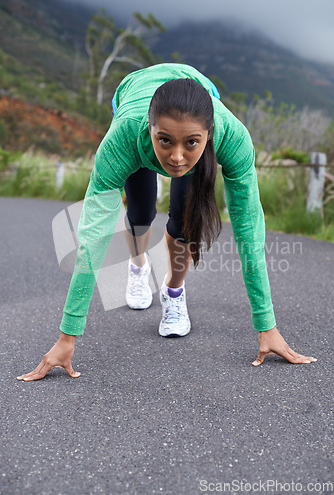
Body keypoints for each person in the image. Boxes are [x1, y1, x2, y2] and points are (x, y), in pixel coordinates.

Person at [17, 63, 317, 382]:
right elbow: (93, 236)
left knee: (186, 221)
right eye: (165, 142)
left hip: (193, 101)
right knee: (141, 214)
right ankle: (139, 265)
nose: (176, 157)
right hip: (133, 100)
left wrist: (266, 325)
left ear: (209, 134)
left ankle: (173, 292)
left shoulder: (233, 138)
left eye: (190, 143)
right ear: (150, 130)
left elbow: (249, 229)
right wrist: (68, 336)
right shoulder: (124, 137)